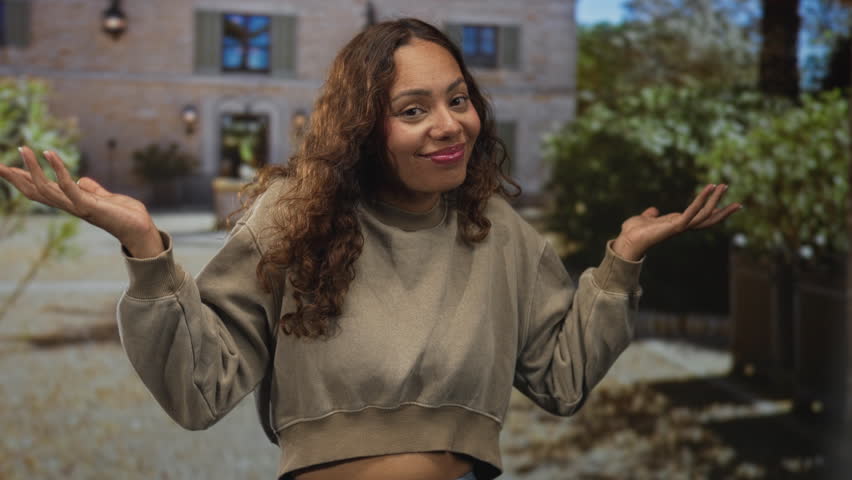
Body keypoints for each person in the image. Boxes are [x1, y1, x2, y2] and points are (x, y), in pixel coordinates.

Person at [0, 18, 740, 480]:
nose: (449, 125)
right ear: (363, 127)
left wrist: (621, 265)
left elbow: (562, 379)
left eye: (459, 98)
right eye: (412, 110)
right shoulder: (293, 218)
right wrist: (147, 250)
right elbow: (200, 391)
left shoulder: (500, 232)